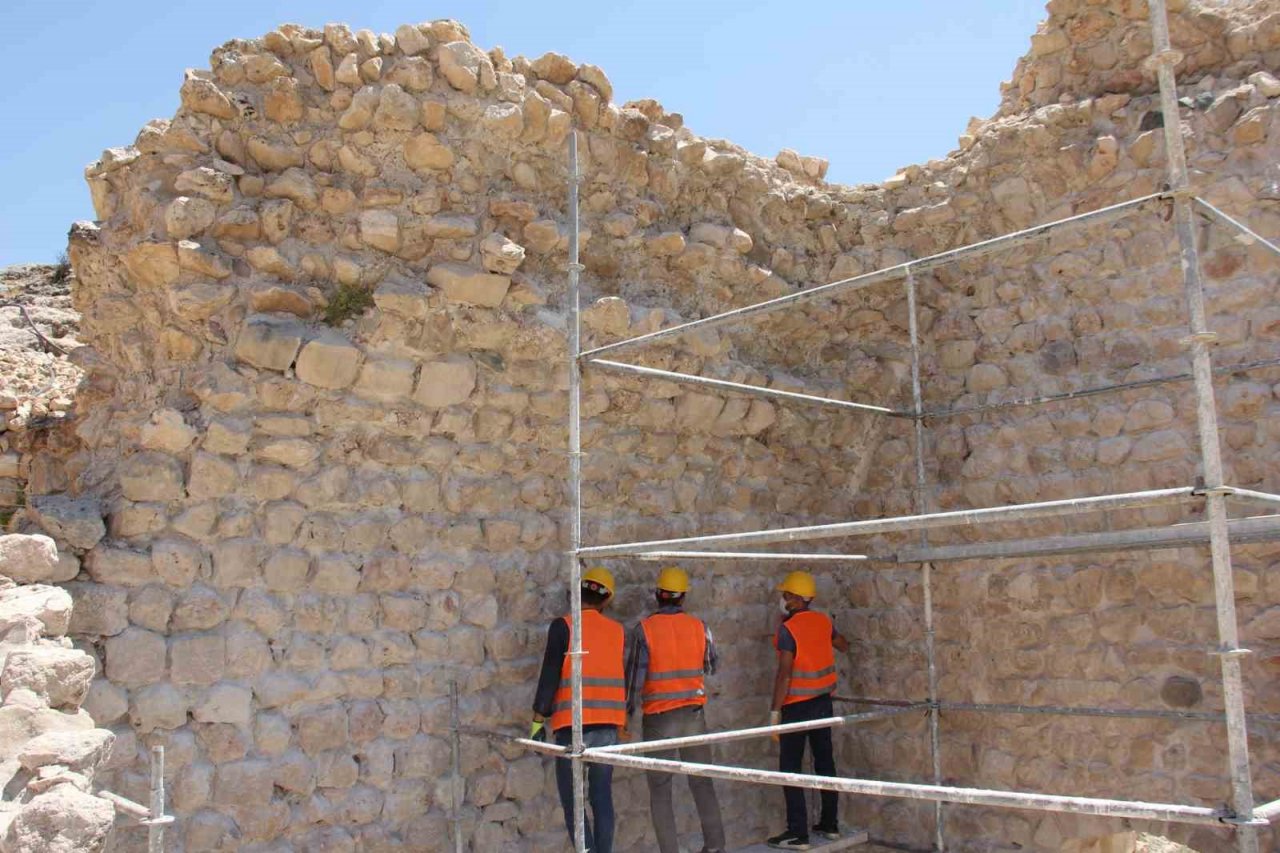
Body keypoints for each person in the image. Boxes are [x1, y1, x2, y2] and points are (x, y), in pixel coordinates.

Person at [625, 566, 727, 853]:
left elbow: (634, 680)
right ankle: (716, 846)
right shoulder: (700, 626)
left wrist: (625, 718)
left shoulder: (643, 630)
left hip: (659, 718)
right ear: (683, 598)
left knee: (660, 790)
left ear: (658, 595)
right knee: (702, 782)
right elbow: (712, 666)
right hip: (694, 715)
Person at [531, 566, 627, 853]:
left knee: (574, 801)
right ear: (607, 599)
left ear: (579, 591)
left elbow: (549, 676)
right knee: (601, 798)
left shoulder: (564, 626)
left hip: (572, 726)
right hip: (608, 727)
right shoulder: (617, 631)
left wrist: (537, 721)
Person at [766, 570, 851, 850]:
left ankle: (797, 833)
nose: (782, 599)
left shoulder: (788, 629)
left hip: (796, 706)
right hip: (822, 703)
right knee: (825, 762)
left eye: (785, 595)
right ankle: (830, 824)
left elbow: (784, 673)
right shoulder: (822, 622)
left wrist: (775, 711)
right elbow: (843, 645)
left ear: (793, 599)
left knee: (790, 768)